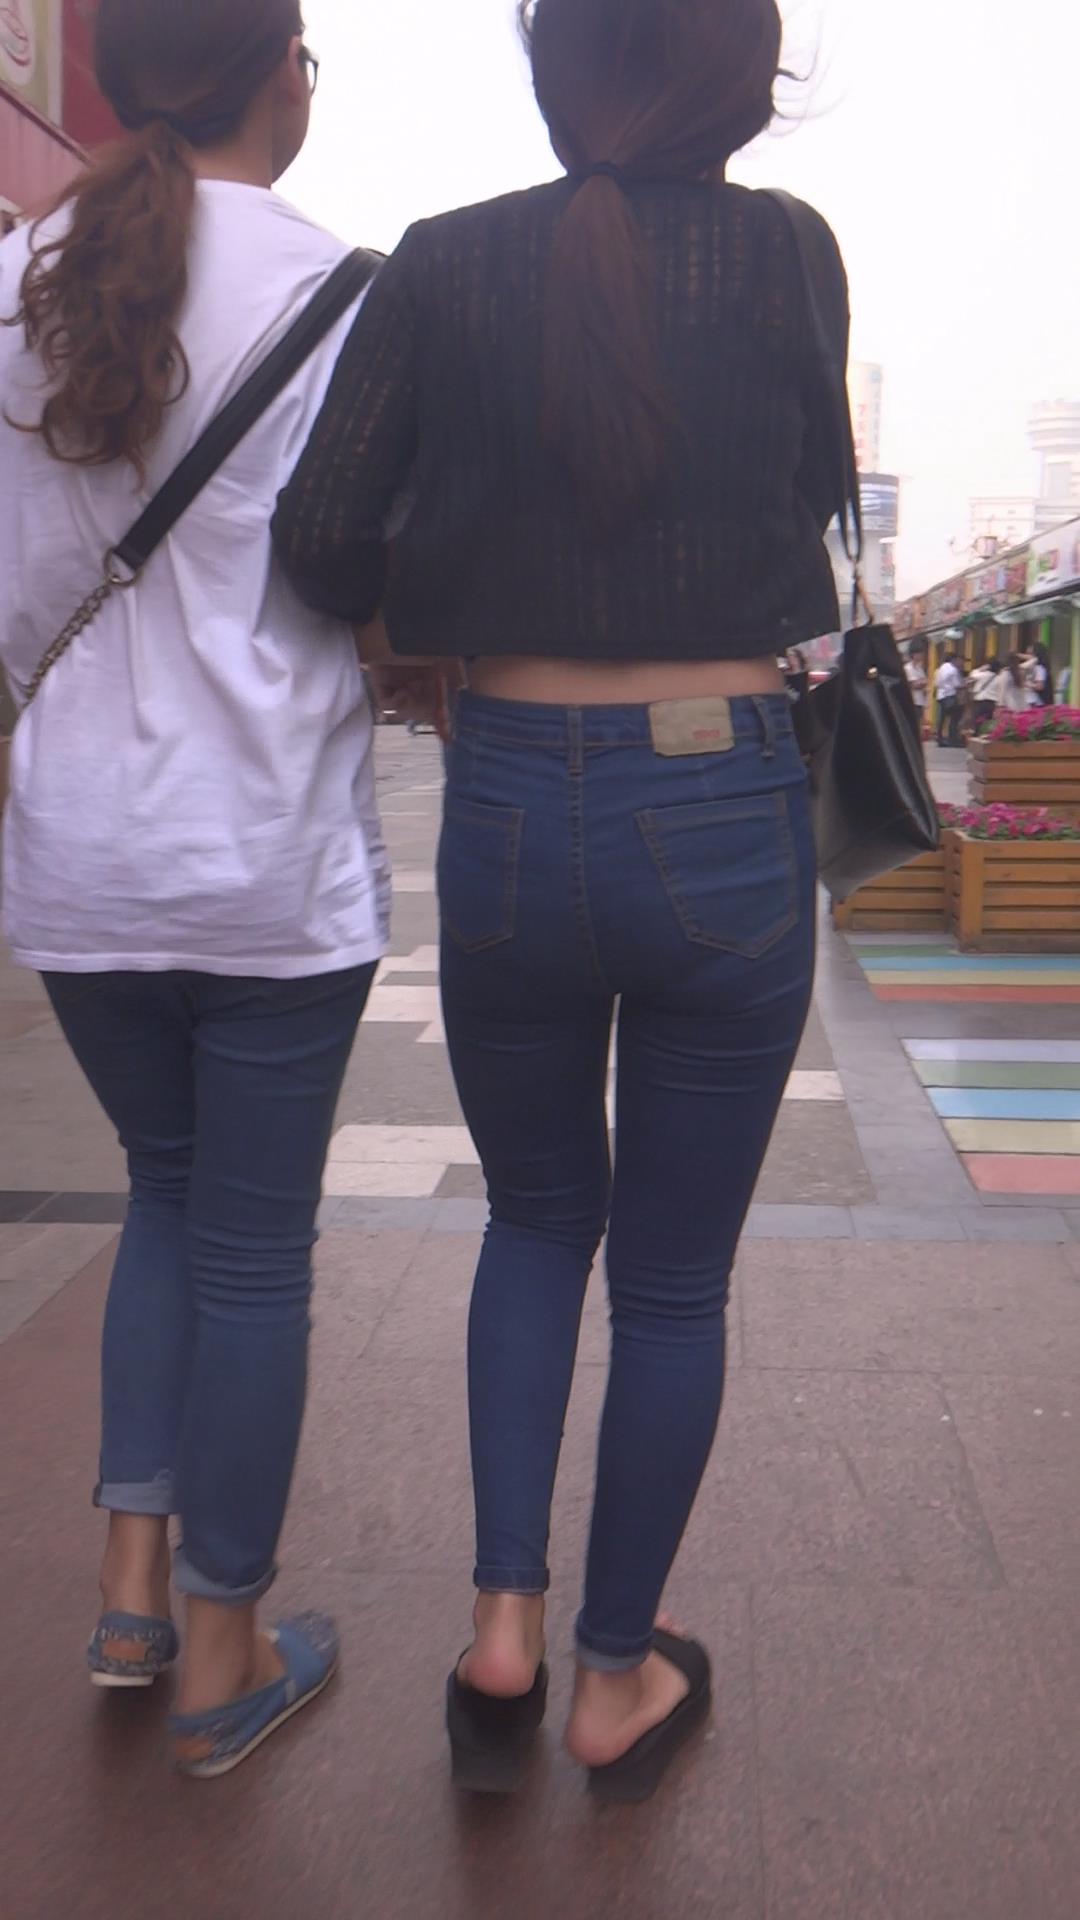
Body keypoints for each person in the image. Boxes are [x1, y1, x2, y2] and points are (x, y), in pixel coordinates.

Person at [276, 0, 837, 1802]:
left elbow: (320, 536)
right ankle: (614, 1678)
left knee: (532, 1224)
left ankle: (500, 1630)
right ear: (737, 78)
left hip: (510, 792)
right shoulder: (787, 255)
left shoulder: (440, 263)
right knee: (671, 1280)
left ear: (554, 70)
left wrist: (440, 613)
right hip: (722, 792)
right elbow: (810, 505)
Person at [0, 0, 388, 1778]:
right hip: (266, 861)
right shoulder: (347, 295)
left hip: (79, 859)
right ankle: (229, 1652)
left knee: (161, 1198)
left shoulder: (23, 278)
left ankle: (130, 1592)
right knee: (250, 1249)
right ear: (274, 71)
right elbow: (379, 581)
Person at [935, 652, 963, 747]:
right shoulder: (953, 670)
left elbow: (937, 683)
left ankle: (939, 738)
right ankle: (953, 739)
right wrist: (966, 684)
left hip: (940, 695)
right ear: (954, 660)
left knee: (941, 719)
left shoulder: (940, 669)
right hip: (950, 696)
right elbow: (957, 685)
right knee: (954, 718)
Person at [970, 656, 1001, 735]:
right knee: (988, 720)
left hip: (980, 701)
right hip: (992, 702)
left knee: (977, 720)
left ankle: (977, 734)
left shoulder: (983, 675)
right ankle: (985, 734)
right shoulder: (999, 678)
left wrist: (980, 669)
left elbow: (972, 675)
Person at [904, 641, 929, 730]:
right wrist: (920, 683)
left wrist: (920, 683)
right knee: (911, 724)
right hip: (912, 700)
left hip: (920, 700)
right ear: (913, 654)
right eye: (920, 653)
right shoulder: (908, 668)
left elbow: (924, 682)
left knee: (918, 724)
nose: (922, 655)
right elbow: (913, 685)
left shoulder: (919, 668)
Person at [1024, 640, 1053, 709]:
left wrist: (1025, 684)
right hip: (1030, 700)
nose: (1028, 657)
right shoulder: (1034, 667)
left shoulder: (1039, 668)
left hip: (1035, 702)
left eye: (1031, 654)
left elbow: (1040, 686)